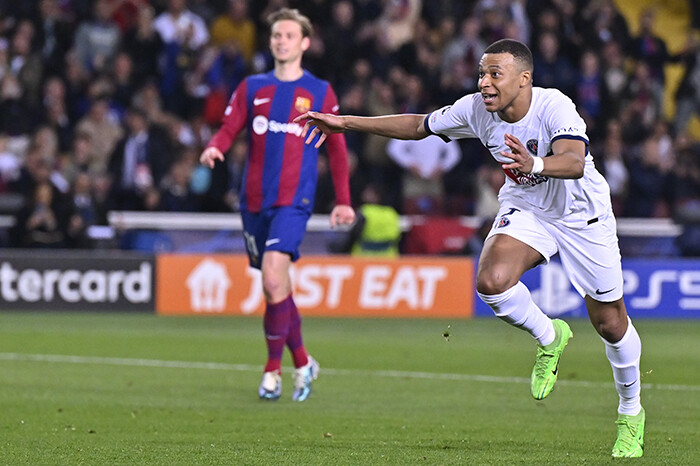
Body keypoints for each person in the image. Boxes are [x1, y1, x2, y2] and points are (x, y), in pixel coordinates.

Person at [295, 39, 644, 458]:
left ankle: (630, 412)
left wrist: (533, 164)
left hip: (580, 214)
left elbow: (572, 161)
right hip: (529, 207)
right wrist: (346, 123)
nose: (484, 83)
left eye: (495, 74)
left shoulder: (555, 106)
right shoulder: (476, 110)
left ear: (524, 79)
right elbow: (419, 125)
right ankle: (550, 336)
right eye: (481, 73)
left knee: (609, 323)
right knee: (492, 282)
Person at [199, 8, 355, 402]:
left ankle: (272, 372)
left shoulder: (320, 93)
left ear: (304, 42)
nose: (281, 40)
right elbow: (229, 127)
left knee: (271, 279)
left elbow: (337, 149)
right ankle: (303, 361)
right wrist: (215, 148)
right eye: (276, 35)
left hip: (293, 202)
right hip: (253, 202)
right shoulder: (252, 87)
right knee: (277, 287)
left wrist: (344, 201)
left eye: (289, 35)